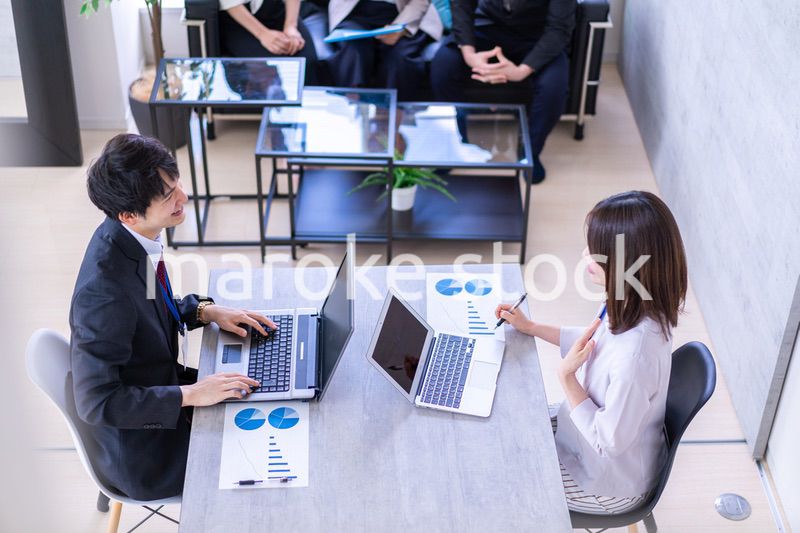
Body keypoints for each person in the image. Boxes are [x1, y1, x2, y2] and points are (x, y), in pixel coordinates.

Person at [69, 134, 274, 501]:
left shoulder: (129, 239)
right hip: (149, 455)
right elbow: (97, 402)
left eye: (176, 182)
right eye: (168, 196)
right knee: (269, 460)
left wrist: (204, 310)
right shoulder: (103, 293)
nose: (183, 196)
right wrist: (192, 394)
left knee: (270, 392)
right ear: (129, 213)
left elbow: (144, 311)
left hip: (163, 387)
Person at [495, 191, 688, 514]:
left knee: (504, 482)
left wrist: (566, 378)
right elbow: (590, 343)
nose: (585, 253)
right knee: (507, 424)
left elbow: (608, 442)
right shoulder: (631, 302)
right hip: (580, 435)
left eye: (595, 251)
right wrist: (531, 327)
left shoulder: (636, 357)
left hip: (605, 482)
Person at [430, 0, 574, 182]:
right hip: (485, 28)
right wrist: (470, 56)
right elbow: (461, 6)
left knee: (555, 85)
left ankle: (531, 152)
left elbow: (559, 29)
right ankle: (458, 140)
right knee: (443, 66)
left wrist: (521, 71)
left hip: (536, 35)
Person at [327, 0, 443, 100]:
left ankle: (391, 117)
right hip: (355, 13)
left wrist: (401, 27)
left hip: (406, 14)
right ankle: (350, 110)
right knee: (352, 51)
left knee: (400, 57)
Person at [219, 0, 319, 83]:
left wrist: (291, 26)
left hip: (276, 9)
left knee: (308, 62)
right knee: (279, 64)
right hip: (239, 20)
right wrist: (262, 34)